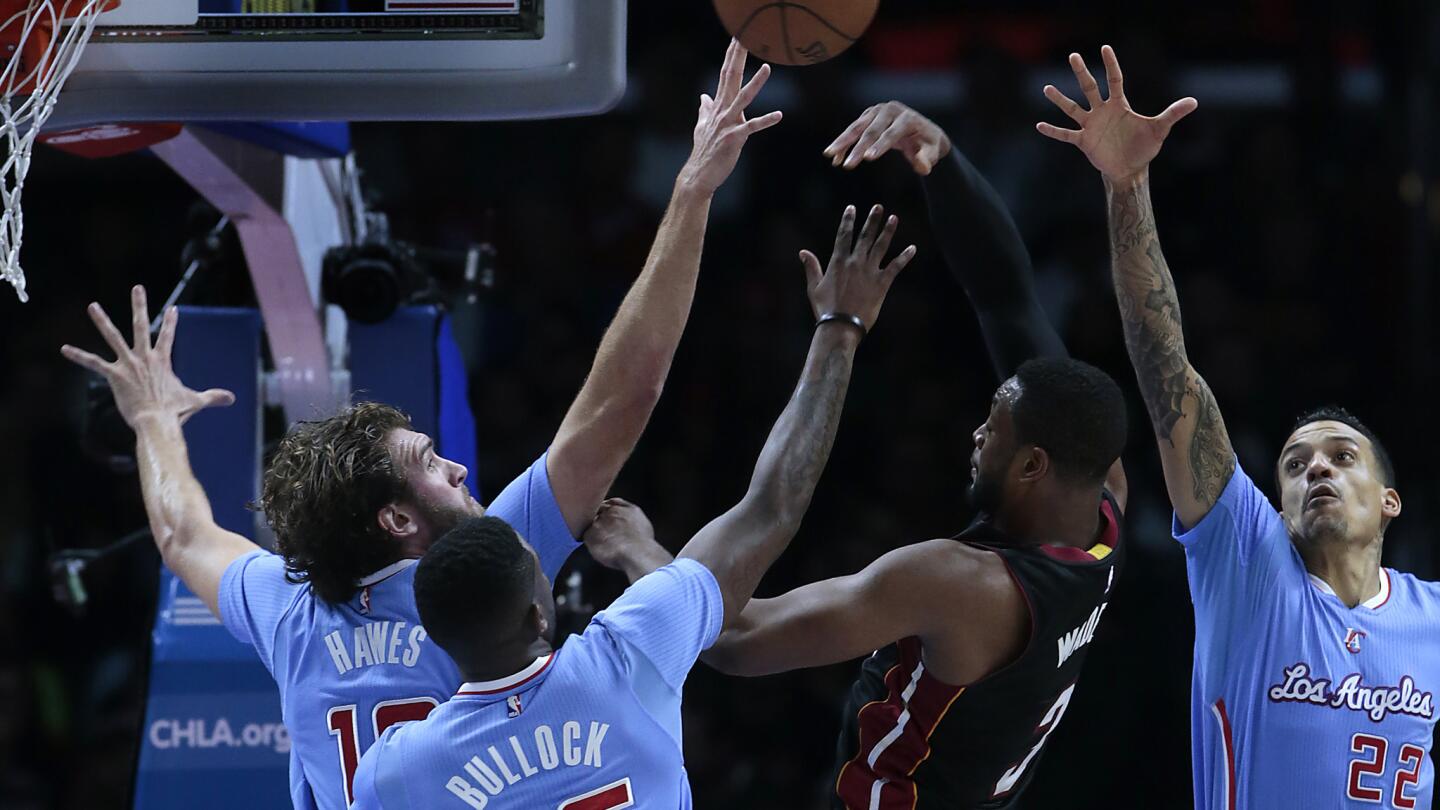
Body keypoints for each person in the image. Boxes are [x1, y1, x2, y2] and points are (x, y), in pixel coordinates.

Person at [58, 39, 783, 810]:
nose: (460, 471)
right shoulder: (488, 567)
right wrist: (692, 194)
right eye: (432, 463)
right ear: (398, 517)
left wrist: (154, 421)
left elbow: (182, 534)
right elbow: (625, 396)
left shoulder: (289, 613)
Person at [596, 102, 1131, 809]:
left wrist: (637, 548)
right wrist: (943, 159)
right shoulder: (1103, 503)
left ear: (1033, 465)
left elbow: (735, 640)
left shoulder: (959, 584)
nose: (975, 433)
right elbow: (1004, 296)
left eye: (992, 427)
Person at [347, 204, 916, 810]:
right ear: (539, 618)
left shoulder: (393, 770)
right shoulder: (628, 653)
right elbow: (773, 505)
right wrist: (840, 327)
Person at [1038, 45, 1440, 810]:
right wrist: (1127, 186)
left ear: (1390, 500)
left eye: (1342, 457)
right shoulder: (1248, 562)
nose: (1316, 470)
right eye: (1295, 464)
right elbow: (1166, 371)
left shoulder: (1435, 619)